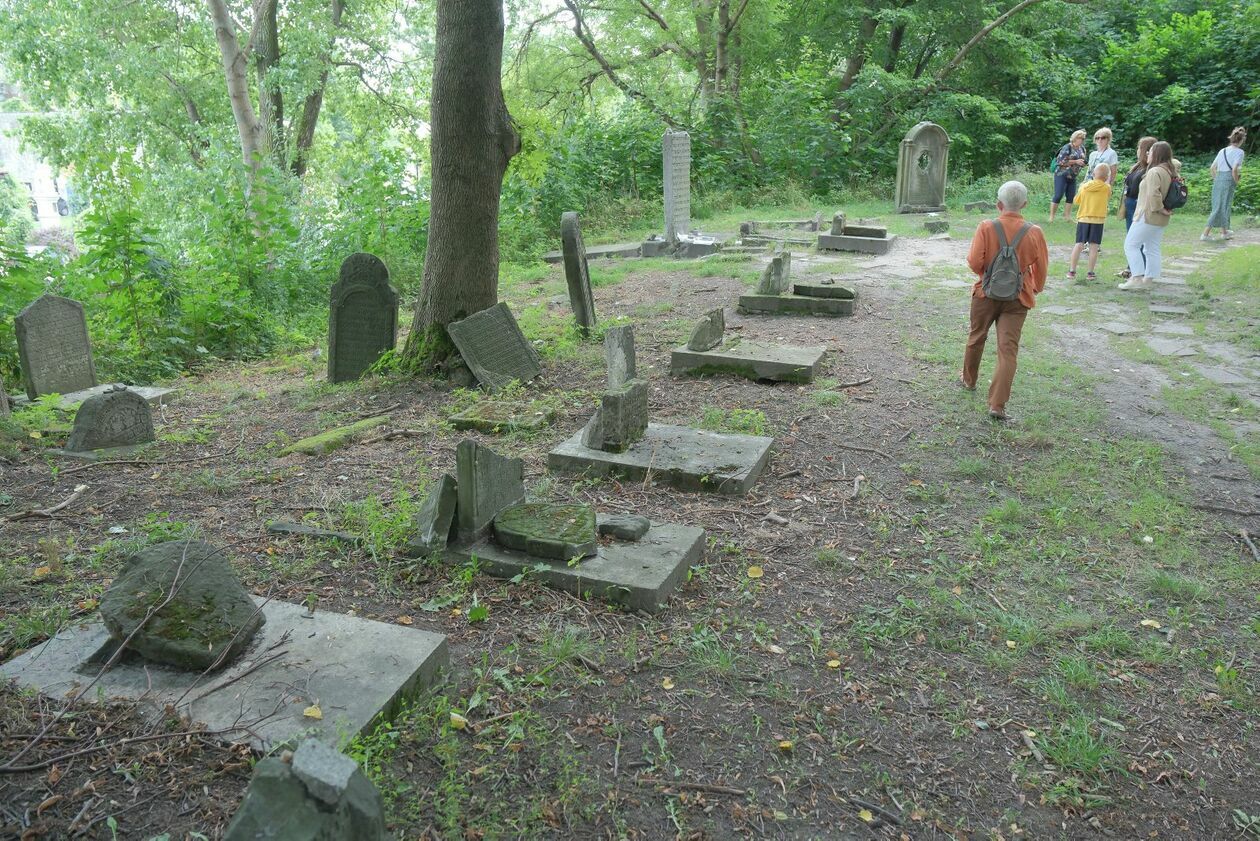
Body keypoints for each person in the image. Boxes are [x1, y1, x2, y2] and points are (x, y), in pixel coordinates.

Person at [961, 181, 1049, 422]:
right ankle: (997, 405)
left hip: (985, 294)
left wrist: (986, 277)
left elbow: (973, 262)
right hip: (1018, 297)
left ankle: (969, 381)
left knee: (976, 335)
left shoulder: (986, 227)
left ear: (998, 204)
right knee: (1007, 350)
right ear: (1025, 204)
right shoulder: (1035, 232)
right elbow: (1041, 270)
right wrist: (1035, 287)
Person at [1119, 140, 1175, 291]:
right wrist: (1163, 210)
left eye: (1151, 151)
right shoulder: (1169, 170)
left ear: (1157, 154)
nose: (1148, 154)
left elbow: (1153, 194)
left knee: (1130, 244)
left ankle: (1137, 277)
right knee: (1152, 247)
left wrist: (1160, 208)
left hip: (1147, 215)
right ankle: (1149, 279)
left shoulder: (1154, 171)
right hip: (1160, 218)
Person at [1067, 164, 1112, 280]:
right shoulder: (1107, 188)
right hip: (1098, 220)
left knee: (1079, 244)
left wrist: (1081, 187)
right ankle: (1090, 273)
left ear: (1093, 174)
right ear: (1107, 177)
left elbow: (1076, 201)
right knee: (1094, 247)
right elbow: (1108, 197)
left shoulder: (1084, 187)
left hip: (1084, 219)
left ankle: (1072, 271)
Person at [1203, 127, 1247, 241]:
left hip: (1218, 179)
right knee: (1222, 206)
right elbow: (1234, 170)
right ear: (1241, 140)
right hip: (1229, 179)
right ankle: (1205, 234)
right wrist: (1237, 181)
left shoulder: (1222, 150)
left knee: (1221, 205)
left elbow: (1212, 168)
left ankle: (1224, 232)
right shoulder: (1240, 152)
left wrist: (1216, 179)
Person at [1050, 130, 1088, 222]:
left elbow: (1083, 160)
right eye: (1080, 138)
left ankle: (1067, 217)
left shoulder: (1082, 148)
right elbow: (1060, 161)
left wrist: (1083, 163)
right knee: (1058, 195)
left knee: (1071, 196)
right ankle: (1052, 217)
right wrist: (1075, 161)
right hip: (1061, 174)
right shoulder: (1067, 147)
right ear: (1075, 138)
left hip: (1073, 176)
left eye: (1083, 138)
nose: (1082, 140)